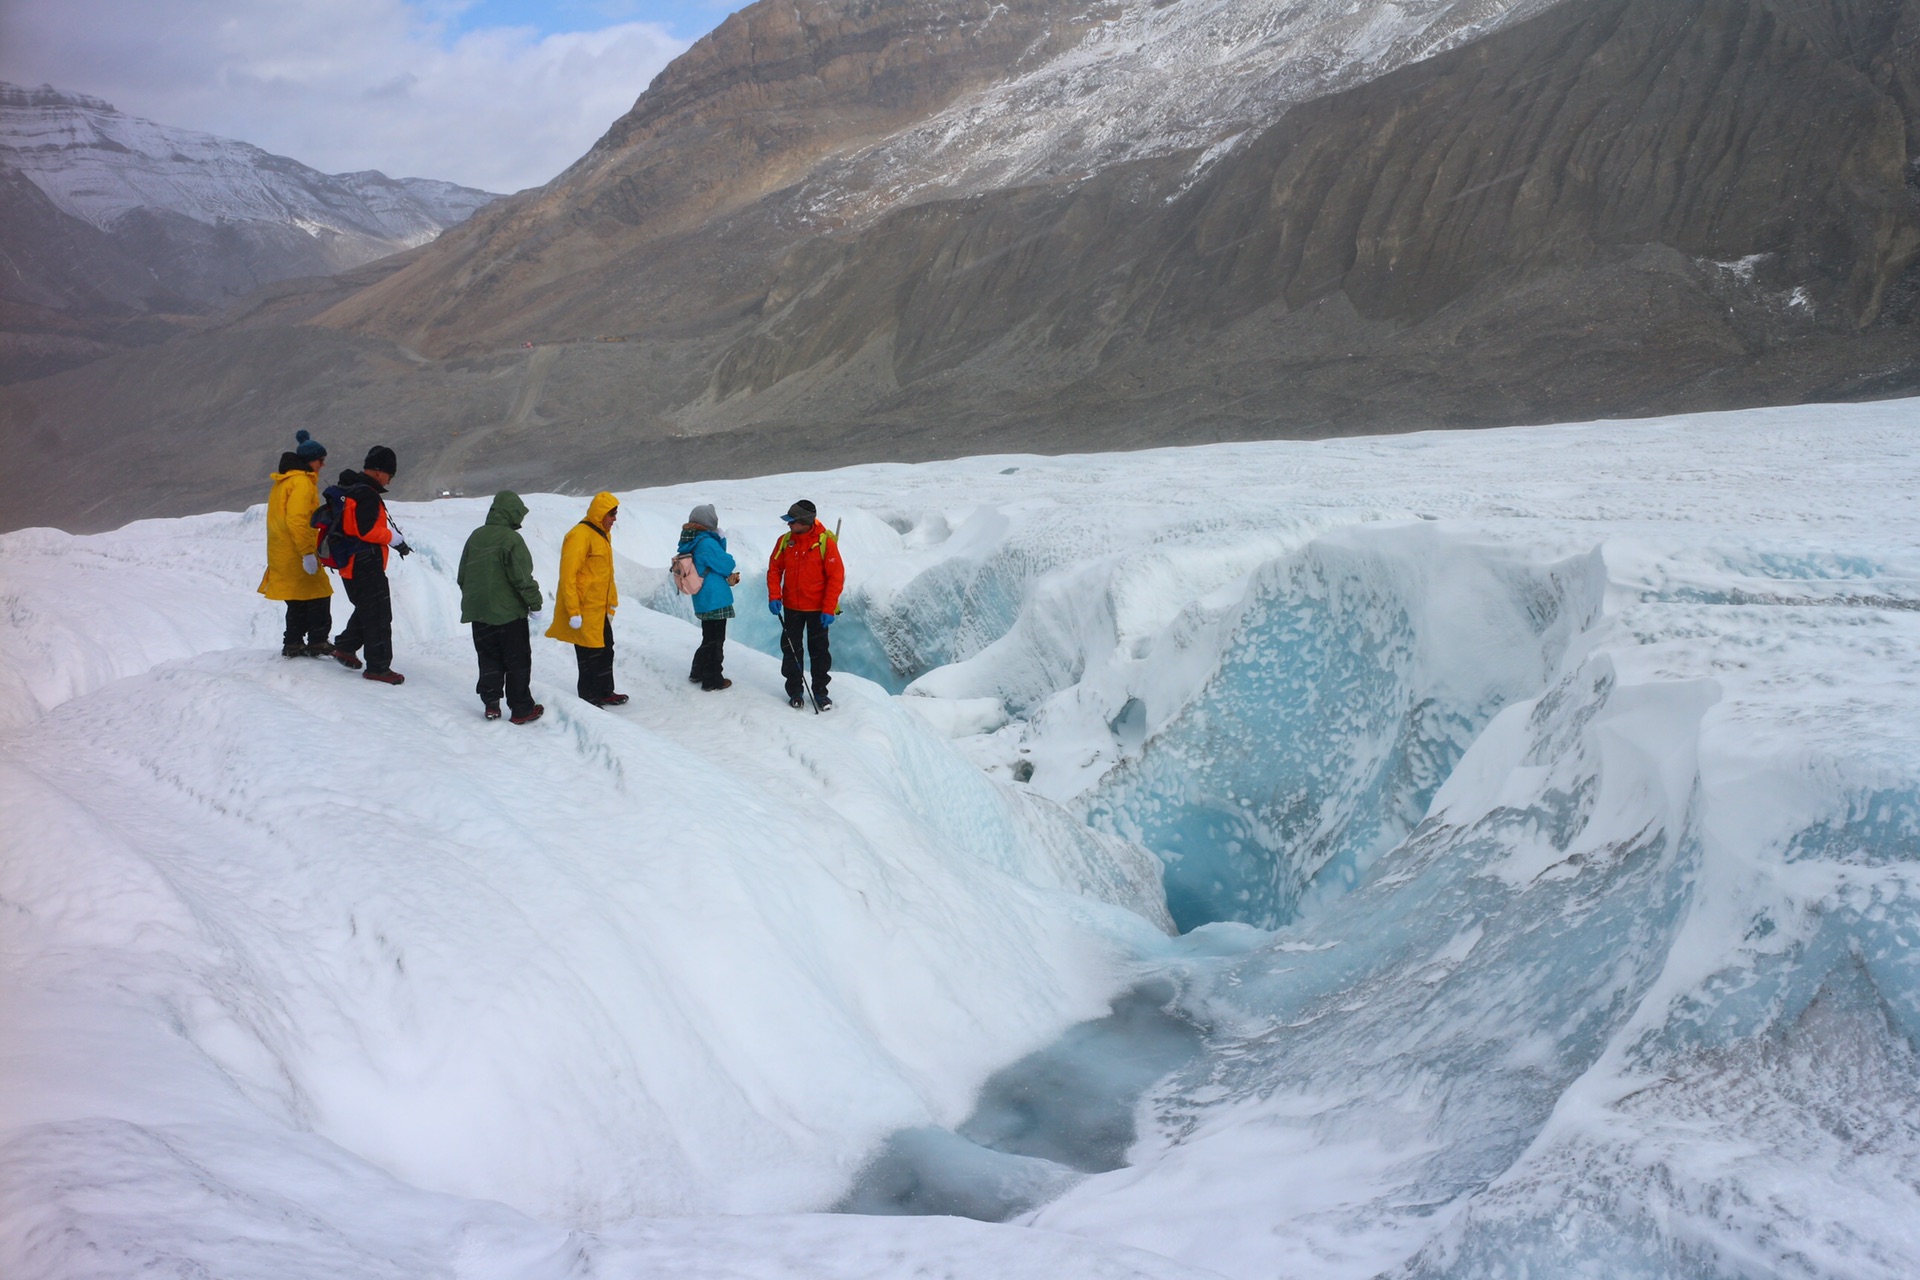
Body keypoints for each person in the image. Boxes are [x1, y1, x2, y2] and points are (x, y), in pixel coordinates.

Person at [457, 491, 545, 724]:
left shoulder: (475, 537)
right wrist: (535, 604)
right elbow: (522, 578)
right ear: (512, 513)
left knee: (488, 658)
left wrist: (479, 599)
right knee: (517, 661)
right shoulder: (510, 539)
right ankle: (521, 708)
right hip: (508, 615)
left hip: (480, 613)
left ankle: (491, 703)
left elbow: (463, 575)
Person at [327, 444, 412, 685]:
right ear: (378, 471)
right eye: (389, 475)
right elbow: (364, 530)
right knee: (378, 615)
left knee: (368, 607)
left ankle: (346, 646)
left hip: (351, 561)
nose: (389, 481)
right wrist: (392, 537)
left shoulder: (352, 488)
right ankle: (378, 667)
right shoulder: (365, 493)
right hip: (364, 562)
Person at [546, 491, 626, 706]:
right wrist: (573, 612)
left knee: (606, 649)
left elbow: (604, 574)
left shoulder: (601, 535)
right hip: (584, 609)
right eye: (612, 514)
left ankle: (605, 691)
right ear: (601, 514)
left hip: (599, 608)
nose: (614, 519)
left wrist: (611, 602)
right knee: (589, 654)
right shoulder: (579, 535)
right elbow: (568, 575)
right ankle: (589, 696)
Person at [257, 430, 332, 657]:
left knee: (296, 600)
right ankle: (318, 641)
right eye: (321, 460)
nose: (323, 465)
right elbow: (298, 519)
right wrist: (308, 552)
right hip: (297, 551)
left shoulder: (284, 482)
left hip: (283, 551)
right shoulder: (301, 483)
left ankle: (293, 643)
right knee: (319, 593)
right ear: (311, 460)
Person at [766, 498, 844, 710]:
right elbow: (774, 569)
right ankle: (795, 691)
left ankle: (820, 692)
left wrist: (828, 608)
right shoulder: (785, 541)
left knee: (819, 652)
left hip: (817, 610)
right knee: (791, 650)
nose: (789, 525)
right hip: (792, 608)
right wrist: (775, 596)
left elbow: (835, 577)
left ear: (805, 522)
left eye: (792, 522)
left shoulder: (825, 543)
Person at [677, 503, 741, 691]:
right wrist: (720, 541)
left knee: (709, 637)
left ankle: (697, 672)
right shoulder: (706, 542)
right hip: (715, 597)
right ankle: (712, 679)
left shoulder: (692, 540)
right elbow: (726, 564)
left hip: (703, 597)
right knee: (716, 640)